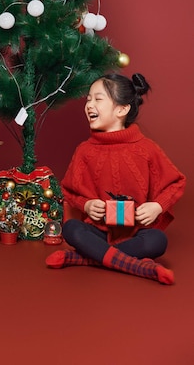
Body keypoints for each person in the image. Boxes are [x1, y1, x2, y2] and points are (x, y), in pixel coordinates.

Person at [46, 73, 186, 285]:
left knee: (157, 241)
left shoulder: (146, 149)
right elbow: (69, 191)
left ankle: (85, 258)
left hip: (136, 232)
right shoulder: (85, 151)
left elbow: (177, 182)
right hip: (98, 231)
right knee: (71, 229)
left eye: (98, 99)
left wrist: (157, 206)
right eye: (88, 99)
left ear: (122, 109)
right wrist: (87, 204)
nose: (89, 105)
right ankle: (137, 266)